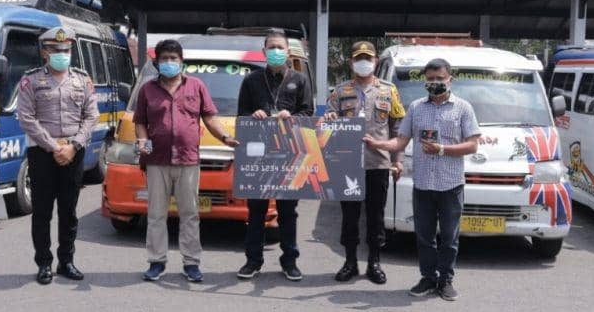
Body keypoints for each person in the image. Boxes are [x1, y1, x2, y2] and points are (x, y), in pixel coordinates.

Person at [364, 58, 480, 300]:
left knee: (449, 237)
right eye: (430, 79)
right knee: (424, 236)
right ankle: (428, 278)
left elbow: (472, 145)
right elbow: (400, 141)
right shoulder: (416, 107)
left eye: (440, 78)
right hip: (423, 184)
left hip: (451, 185)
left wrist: (442, 149)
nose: (435, 83)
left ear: (450, 79)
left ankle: (446, 280)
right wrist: (378, 144)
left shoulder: (463, 108)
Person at [133, 39, 239, 282]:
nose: (169, 63)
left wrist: (224, 137)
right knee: (156, 214)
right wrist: (143, 144)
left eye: (174, 58)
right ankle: (156, 261)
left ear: (182, 61)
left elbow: (210, 118)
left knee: (189, 213)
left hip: (188, 160)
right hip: (156, 160)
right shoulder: (147, 90)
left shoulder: (197, 86)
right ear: (157, 63)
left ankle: (191, 263)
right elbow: (140, 122)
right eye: (165, 59)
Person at [17, 27, 98, 285]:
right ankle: (44, 263)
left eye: (66, 50)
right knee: (42, 211)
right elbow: (26, 118)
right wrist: (54, 147)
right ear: (45, 52)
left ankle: (67, 261)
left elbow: (91, 116)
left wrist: (73, 146)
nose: (62, 54)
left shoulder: (82, 80)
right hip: (43, 153)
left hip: (74, 151)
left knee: (69, 210)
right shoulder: (30, 81)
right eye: (55, 50)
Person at [324, 41, 406, 284]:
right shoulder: (339, 92)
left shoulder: (389, 90)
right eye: (359, 58)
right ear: (351, 62)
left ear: (375, 62)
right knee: (349, 216)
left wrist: (398, 160)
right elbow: (325, 128)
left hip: (377, 163)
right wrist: (329, 118)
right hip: (347, 164)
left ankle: (374, 262)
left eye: (368, 58)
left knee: (375, 216)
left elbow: (397, 128)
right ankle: (350, 262)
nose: (363, 62)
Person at [236, 28, 314, 281]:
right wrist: (253, 115)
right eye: (272, 47)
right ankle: (253, 261)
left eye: (280, 48)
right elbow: (241, 115)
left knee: (288, 212)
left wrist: (291, 117)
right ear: (264, 51)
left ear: (288, 52)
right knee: (256, 211)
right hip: (258, 156)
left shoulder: (300, 80)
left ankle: (289, 261)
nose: (276, 52)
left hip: (290, 154)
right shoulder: (251, 80)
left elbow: (308, 113)